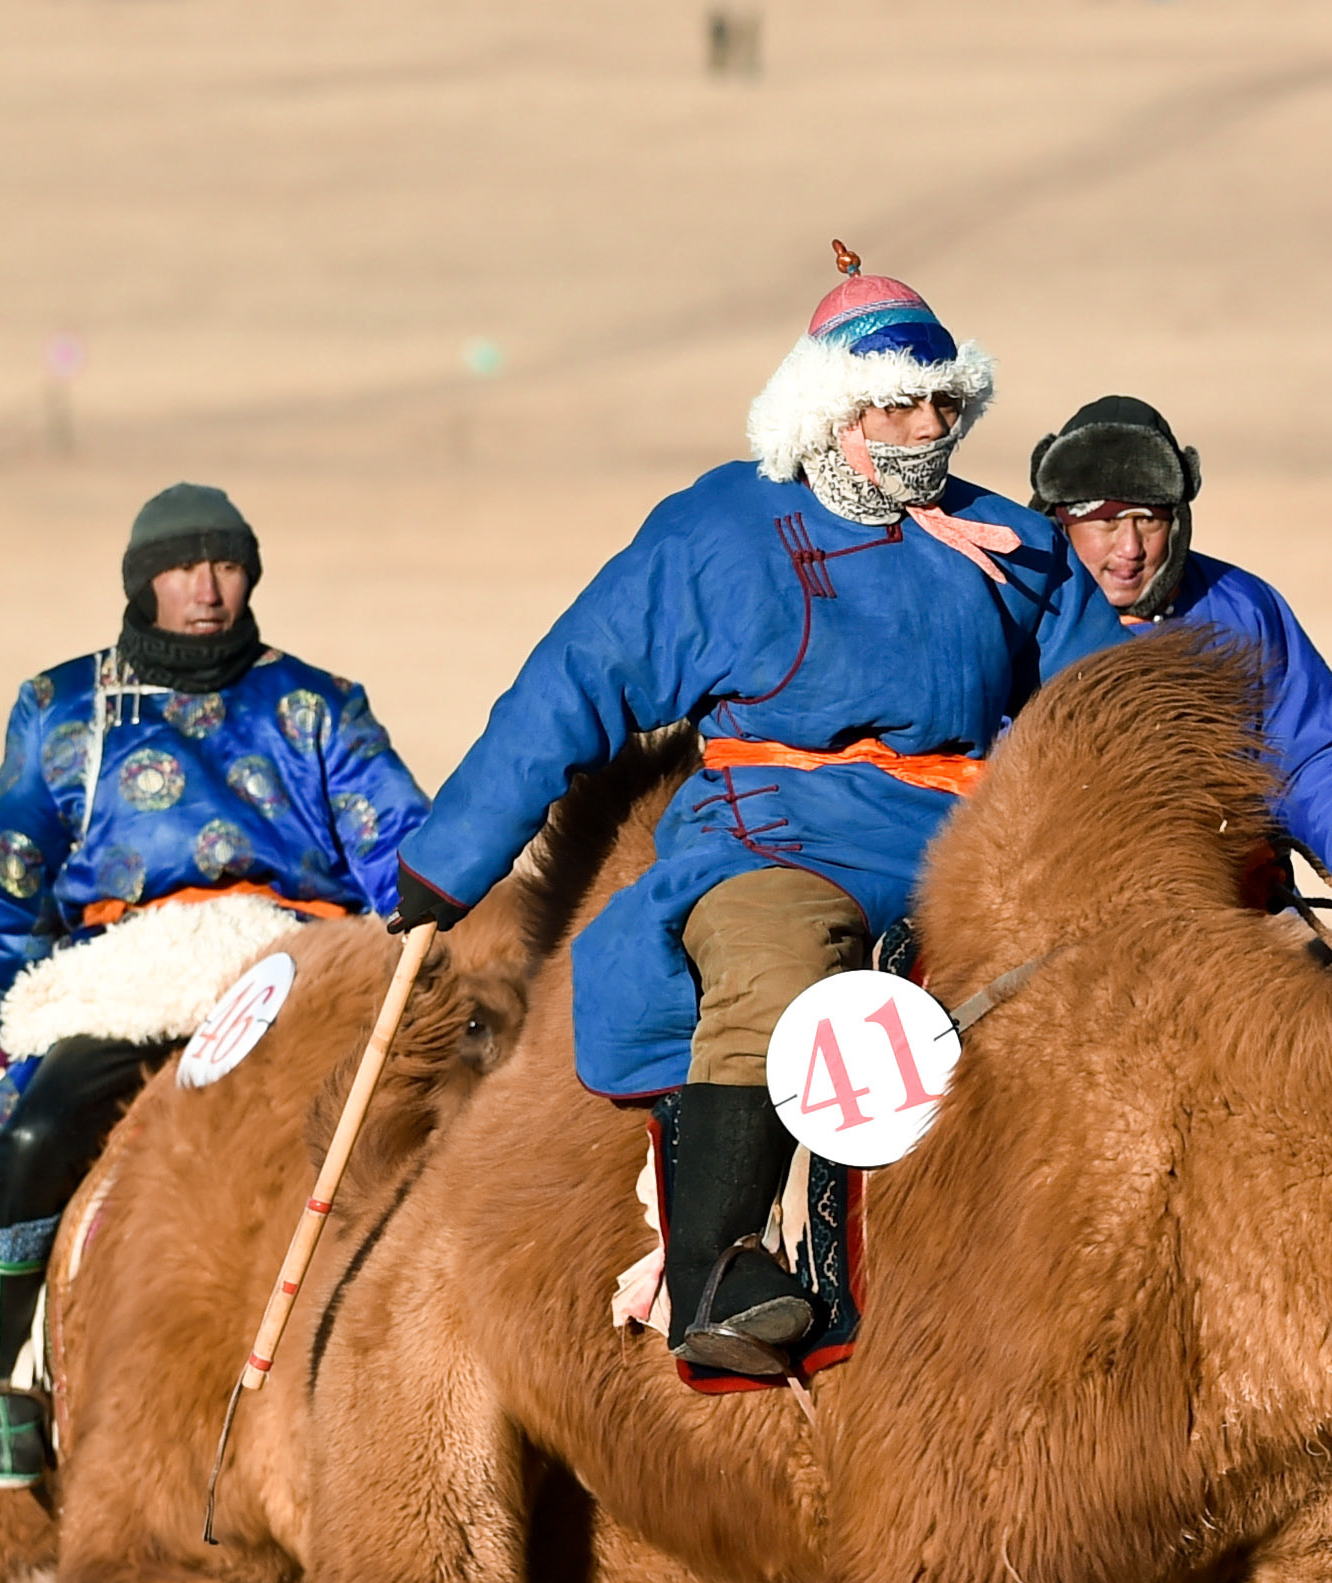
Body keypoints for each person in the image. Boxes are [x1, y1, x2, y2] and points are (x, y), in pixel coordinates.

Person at [392, 247, 1119, 1380]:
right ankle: (720, 1270)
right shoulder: (719, 531)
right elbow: (575, 677)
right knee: (777, 965)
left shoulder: (1012, 547)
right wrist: (454, 855)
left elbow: (1102, 702)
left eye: (942, 400)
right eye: (896, 404)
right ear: (832, 415)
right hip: (779, 830)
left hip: (971, 840)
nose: (926, 424)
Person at [0, 483, 432, 1488]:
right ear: (142, 581)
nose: (206, 587)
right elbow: (8, 875)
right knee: (25, 1140)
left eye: (226, 564)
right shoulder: (64, 708)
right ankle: (0, 1391)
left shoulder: (317, 705)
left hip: (286, 965)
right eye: (184, 566)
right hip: (130, 968)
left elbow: (399, 851)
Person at [1024, 394, 1332, 946]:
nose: (1131, 548)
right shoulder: (1011, 615)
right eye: (1106, 521)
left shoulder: (1241, 608)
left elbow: (1315, 763)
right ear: (1060, 521)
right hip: (1053, 920)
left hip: (1235, 916)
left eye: (1149, 518)